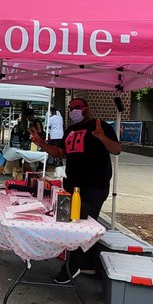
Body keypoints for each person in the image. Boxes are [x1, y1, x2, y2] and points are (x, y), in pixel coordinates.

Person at [30, 97, 122, 283]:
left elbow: (117, 149)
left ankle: (72, 267)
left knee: (82, 226)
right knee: (71, 224)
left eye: (77, 108)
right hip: (72, 185)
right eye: (71, 108)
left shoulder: (100, 125)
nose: (73, 111)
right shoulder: (71, 130)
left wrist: (101, 137)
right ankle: (90, 263)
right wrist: (41, 144)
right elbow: (60, 152)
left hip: (95, 185)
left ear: (86, 109)